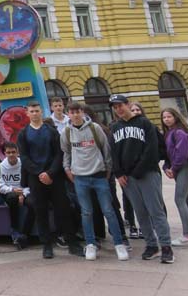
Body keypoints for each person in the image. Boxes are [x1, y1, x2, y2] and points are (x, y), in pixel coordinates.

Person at [109, 94, 174, 263]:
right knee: (140, 213)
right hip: (127, 178)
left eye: (120, 105)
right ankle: (151, 245)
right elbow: (113, 153)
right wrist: (118, 173)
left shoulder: (145, 123)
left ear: (127, 104)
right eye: (115, 107)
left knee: (155, 211)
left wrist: (137, 170)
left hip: (147, 173)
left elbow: (151, 150)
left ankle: (166, 246)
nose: (118, 109)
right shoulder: (115, 127)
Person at [61, 102, 129, 261]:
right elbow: (66, 153)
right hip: (80, 177)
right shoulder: (66, 132)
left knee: (108, 210)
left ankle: (119, 243)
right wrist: (68, 170)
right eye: (72, 112)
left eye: (78, 111)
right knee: (86, 212)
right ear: (68, 114)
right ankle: (90, 243)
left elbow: (106, 150)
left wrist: (107, 171)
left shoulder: (95, 128)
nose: (75, 115)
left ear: (82, 112)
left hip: (99, 175)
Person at [17, 100, 82, 259]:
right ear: (27, 113)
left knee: (63, 210)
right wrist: (40, 173)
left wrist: (50, 173)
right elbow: (24, 157)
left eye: (37, 111)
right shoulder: (23, 133)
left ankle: (72, 243)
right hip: (36, 178)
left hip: (55, 177)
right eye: (32, 111)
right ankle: (46, 245)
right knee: (41, 212)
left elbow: (59, 153)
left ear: (41, 112)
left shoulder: (52, 131)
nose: (34, 113)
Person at [161, 107, 188, 246]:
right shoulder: (169, 133)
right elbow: (169, 155)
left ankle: (187, 235)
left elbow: (181, 154)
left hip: (183, 168)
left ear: (175, 117)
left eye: (169, 116)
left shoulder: (179, 132)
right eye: (164, 117)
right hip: (179, 169)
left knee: (179, 199)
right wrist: (166, 167)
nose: (166, 119)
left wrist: (173, 169)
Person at [0, 142, 34, 249]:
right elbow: (1, 186)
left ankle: (25, 235)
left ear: (18, 152)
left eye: (13, 152)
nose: (11, 154)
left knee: (33, 204)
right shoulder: (1, 166)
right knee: (12, 198)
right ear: (5, 153)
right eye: (8, 152)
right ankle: (15, 230)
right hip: (10, 193)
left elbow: (30, 184)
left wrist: (23, 193)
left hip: (24, 191)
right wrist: (13, 190)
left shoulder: (24, 165)